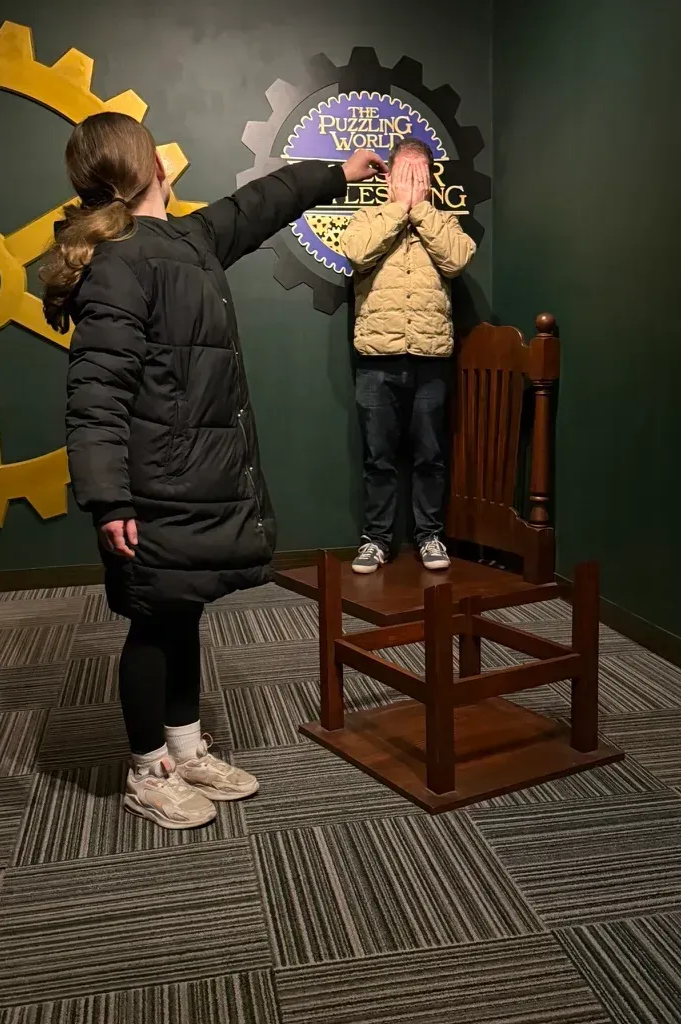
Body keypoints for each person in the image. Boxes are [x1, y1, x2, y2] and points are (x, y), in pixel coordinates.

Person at [41, 111, 386, 829]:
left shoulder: (188, 239)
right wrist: (108, 500)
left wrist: (337, 174)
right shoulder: (119, 263)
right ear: (145, 166)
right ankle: (146, 769)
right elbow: (96, 393)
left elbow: (259, 204)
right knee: (151, 623)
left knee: (183, 610)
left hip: (193, 478)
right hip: (150, 487)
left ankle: (185, 747)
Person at [341, 138, 476, 575]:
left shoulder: (445, 223)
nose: (412, 183)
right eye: (405, 175)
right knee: (378, 458)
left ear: (431, 181)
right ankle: (376, 540)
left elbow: (456, 262)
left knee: (430, 456)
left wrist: (419, 210)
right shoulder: (368, 219)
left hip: (430, 359)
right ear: (389, 178)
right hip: (377, 361)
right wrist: (399, 209)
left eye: (420, 175)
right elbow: (357, 253)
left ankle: (429, 536)